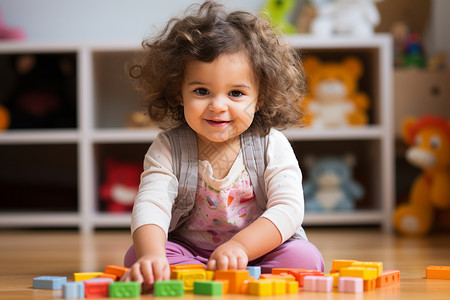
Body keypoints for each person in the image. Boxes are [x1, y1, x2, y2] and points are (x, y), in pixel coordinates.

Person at [121, 0, 324, 292]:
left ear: (261, 96)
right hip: (189, 251)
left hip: (257, 253)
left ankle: (214, 276)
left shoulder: (271, 145)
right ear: (179, 92)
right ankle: (196, 272)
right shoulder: (168, 147)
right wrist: (152, 256)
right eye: (202, 91)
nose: (218, 106)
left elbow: (288, 209)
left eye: (236, 93)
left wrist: (240, 247)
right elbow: (152, 204)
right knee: (138, 256)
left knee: (305, 258)